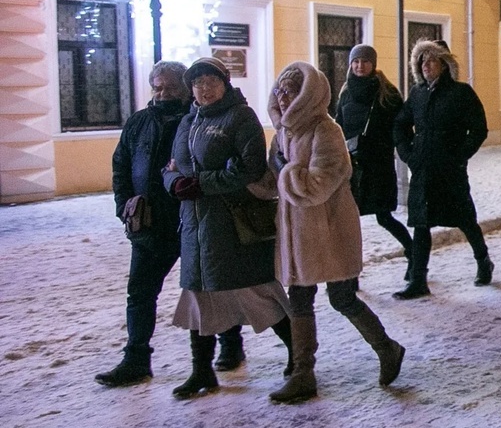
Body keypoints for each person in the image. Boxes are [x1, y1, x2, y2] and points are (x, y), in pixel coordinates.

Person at [266, 63, 406, 403]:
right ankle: (303, 372)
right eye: (280, 91)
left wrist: (284, 170)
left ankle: (387, 348)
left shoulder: (326, 131)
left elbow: (318, 184)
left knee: (341, 297)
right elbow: (275, 179)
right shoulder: (284, 132)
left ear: (307, 95)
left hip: (329, 230)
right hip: (297, 231)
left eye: (291, 91)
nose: (283, 98)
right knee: (299, 298)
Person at [163, 57, 293, 399]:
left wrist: (202, 183)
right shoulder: (188, 120)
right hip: (194, 226)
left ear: (225, 82)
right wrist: (174, 183)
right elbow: (173, 165)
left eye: (210, 82)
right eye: (197, 83)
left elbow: (250, 168)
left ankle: (300, 355)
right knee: (198, 298)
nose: (204, 89)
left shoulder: (240, 117)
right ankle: (202, 371)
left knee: (256, 292)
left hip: (233, 224)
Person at [96, 61, 191, 387]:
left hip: (187, 221)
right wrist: (124, 205)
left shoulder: (194, 119)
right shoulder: (139, 122)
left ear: (183, 88)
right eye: (157, 87)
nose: (162, 93)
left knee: (205, 291)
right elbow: (120, 165)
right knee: (139, 292)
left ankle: (224, 349)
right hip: (148, 224)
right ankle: (136, 358)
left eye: (169, 87)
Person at [393, 39, 493, 298]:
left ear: (444, 64)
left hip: (451, 170)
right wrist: (408, 155)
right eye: (422, 61)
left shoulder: (461, 93)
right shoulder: (417, 94)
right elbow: (400, 125)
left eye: (432, 60)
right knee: (421, 224)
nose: (426, 65)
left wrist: (460, 155)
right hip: (423, 169)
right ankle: (418, 280)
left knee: (465, 219)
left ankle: (483, 261)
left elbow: (479, 129)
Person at [333, 44, 413, 276]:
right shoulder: (346, 92)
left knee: (384, 217)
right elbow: (338, 126)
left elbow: (400, 126)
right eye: (356, 61)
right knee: (349, 223)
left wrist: (394, 148)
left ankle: (413, 254)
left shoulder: (386, 93)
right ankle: (350, 275)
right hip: (352, 167)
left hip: (378, 166)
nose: (360, 66)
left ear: (373, 64)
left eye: (365, 61)